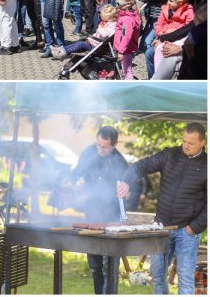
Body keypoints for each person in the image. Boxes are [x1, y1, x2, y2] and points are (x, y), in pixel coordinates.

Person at [117, 123, 207, 295]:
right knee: (158, 276)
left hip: (187, 231)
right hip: (161, 228)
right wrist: (127, 180)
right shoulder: (169, 155)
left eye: (191, 142)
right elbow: (143, 165)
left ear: (202, 142)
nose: (185, 145)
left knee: (185, 279)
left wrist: (194, 228)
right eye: (183, 141)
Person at [67, 126, 128, 294]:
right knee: (95, 266)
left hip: (112, 217)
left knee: (110, 267)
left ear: (114, 145)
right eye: (98, 145)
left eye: (104, 147)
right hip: (91, 214)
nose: (100, 150)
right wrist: (74, 184)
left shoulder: (121, 163)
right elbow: (76, 173)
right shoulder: (89, 152)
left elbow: (128, 193)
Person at [151, 0, 194, 79]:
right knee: (149, 53)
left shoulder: (188, 11)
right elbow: (159, 24)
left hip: (177, 38)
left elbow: (187, 28)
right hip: (164, 36)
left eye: (171, 1)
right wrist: (161, 33)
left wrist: (171, 33)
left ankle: (158, 77)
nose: (167, 3)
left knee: (161, 49)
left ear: (180, 2)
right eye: (168, 0)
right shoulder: (165, 9)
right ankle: (155, 74)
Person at [178, 0, 207, 79]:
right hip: (187, 39)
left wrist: (179, 45)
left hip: (198, 45)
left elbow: (199, 27)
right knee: (151, 52)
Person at [113, 0, 141, 80]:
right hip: (125, 49)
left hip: (126, 49)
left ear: (128, 4)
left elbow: (126, 36)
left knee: (127, 70)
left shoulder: (127, 19)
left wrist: (121, 51)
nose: (116, 5)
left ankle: (130, 85)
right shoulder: (126, 16)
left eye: (118, 3)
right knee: (126, 69)